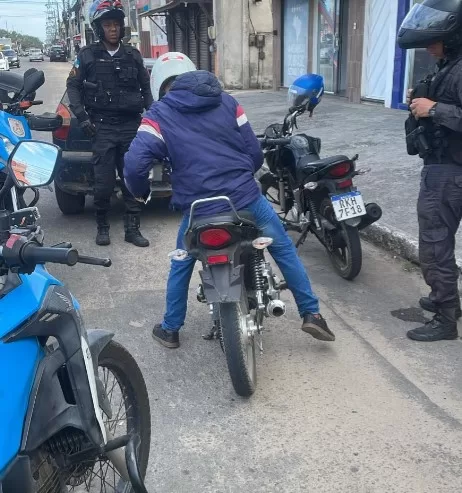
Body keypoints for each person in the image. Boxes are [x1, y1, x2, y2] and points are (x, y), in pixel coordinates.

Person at [124, 53, 335, 349]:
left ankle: (171, 328)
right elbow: (254, 153)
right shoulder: (227, 101)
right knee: (284, 248)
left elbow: (134, 164)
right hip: (245, 200)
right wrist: (239, 180)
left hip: (198, 210)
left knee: (181, 263)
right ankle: (311, 313)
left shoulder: (158, 115)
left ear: (159, 83)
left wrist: (138, 193)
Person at [398, 0, 462, 341]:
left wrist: (434, 108)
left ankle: (444, 318)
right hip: (442, 167)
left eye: (435, 38)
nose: (429, 45)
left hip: (450, 172)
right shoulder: (449, 65)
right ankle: (445, 298)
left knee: (435, 246)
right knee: (438, 243)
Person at [66, 0, 153, 247]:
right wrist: (82, 117)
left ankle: (132, 229)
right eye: (108, 25)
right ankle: (102, 226)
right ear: (99, 27)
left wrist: (153, 117)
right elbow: (72, 86)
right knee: (103, 184)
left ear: (122, 27)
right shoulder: (87, 56)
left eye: (116, 24)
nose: (113, 29)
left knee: (132, 179)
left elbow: (146, 90)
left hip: (130, 127)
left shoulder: (133, 56)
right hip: (102, 127)